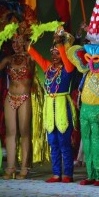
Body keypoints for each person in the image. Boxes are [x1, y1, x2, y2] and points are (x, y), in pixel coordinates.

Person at [66, 0, 99, 186]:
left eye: (95, 57)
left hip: (98, 108)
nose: (92, 59)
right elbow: (74, 56)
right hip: (84, 108)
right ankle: (90, 174)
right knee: (85, 142)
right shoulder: (85, 71)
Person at [0, 31, 35, 180]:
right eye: (13, 42)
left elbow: (39, 62)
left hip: (24, 97)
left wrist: (30, 48)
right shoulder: (9, 59)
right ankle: (11, 167)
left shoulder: (30, 58)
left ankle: (24, 167)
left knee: (24, 133)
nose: (16, 45)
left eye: (19, 41)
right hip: (10, 98)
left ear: (25, 42)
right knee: (10, 134)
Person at [28, 26, 76, 183]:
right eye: (52, 52)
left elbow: (65, 57)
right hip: (49, 107)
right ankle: (57, 174)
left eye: (57, 53)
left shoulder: (69, 68)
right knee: (53, 142)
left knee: (64, 142)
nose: (54, 56)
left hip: (63, 106)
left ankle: (67, 174)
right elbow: (33, 53)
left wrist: (59, 43)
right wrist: (24, 39)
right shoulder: (47, 67)